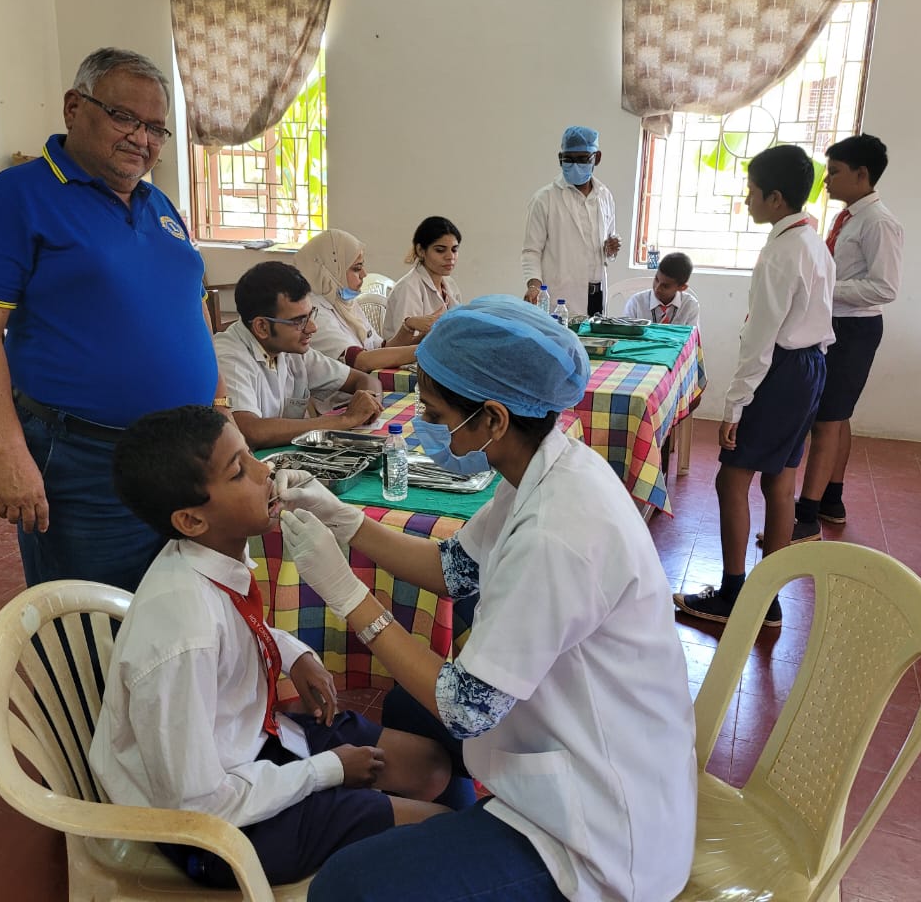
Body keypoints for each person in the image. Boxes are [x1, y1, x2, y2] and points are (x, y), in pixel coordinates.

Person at [275, 296, 697, 902]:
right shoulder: (544, 465)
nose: (424, 423)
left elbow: (467, 707)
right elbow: (456, 568)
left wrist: (348, 593)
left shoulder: (559, 531)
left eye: (436, 412)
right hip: (569, 736)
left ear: (493, 419)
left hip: (599, 826)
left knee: (347, 888)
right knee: (407, 712)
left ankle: (480, 863)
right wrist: (345, 521)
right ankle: (458, 837)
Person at [89, 405, 451, 888]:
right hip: (222, 830)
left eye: (254, 456)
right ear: (192, 519)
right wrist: (328, 771)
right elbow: (197, 805)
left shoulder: (204, 562)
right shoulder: (183, 636)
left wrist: (288, 651)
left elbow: (234, 630)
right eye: (241, 469)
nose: (268, 471)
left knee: (432, 767)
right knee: (440, 836)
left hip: (259, 748)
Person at [0, 47, 228, 593]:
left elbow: (192, 308)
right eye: (125, 116)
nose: (140, 138)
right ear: (74, 107)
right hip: (86, 459)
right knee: (94, 618)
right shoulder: (16, 198)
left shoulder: (160, 205)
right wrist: (6, 453)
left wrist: (221, 412)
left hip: (183, 454)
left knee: (181, 610)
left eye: (155, 128)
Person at [674, 145, 835, 628]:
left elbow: (761, 339)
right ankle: (768, 597)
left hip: (779, 372)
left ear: (776, 198)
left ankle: (734, 593)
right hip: (809, 368)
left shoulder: (781, 253)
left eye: (752, 192)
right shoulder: (813, 240)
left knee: (731, 479)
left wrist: (735, 405)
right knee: (780, 481)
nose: (746, 201)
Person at [790, 134, 903, 543]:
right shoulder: (851, 216)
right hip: (837, 324)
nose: (827, 182)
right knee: (839, 415)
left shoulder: (879, 222)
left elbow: (884, 288)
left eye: (834, 173)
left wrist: (825, 286)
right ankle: (831, 498)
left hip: (854, 329)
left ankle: (806, 514)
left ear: (861, 174)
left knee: (826, 421)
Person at [214, 260, 383, 450]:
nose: (312, 327)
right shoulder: (229, 357)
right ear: (262, 327)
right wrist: (344, 420)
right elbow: (250, 431)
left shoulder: (292, 350)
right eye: (299, 321)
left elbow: (363, 380)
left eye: (311, 315)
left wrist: (370, 404)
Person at [291, 229, 424, 373]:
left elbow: (381, 349)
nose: (364, 274)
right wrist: (425, 350)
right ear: (329, 271)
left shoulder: (346, 304)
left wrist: (412, 329)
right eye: (357, 268)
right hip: (340, 394)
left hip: (363, 387)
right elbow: (362, 361)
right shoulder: (315, 313)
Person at [520, 125, 620, 317]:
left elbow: (605, 248)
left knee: (593, 344)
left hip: (597, 294)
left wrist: (611, 250)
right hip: (561, 296)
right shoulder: (545, 199)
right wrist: (534, 285)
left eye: (583, 159)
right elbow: (531, 250)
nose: (575, 165)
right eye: (568, 159)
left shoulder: (605, 196)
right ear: (560, 158)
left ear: (596, 158)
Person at [383, 216, 464, 337]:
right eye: (440, 250)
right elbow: (405, 342)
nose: (450, 256)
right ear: (420, 250)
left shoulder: (449, 283)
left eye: (454, 250)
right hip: (410, 355)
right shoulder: (408, 287)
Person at [620, 251, 701, 326]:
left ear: (682, 287)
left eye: (665, 286)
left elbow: (692, 339)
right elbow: (626, 338)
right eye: (656, 279)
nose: (657, 288)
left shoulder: (690, 305)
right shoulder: (636, 303)